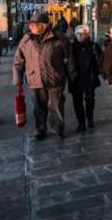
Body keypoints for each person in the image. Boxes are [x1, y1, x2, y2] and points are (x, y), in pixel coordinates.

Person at [13, 12, 78, 140]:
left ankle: (58, 128)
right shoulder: (26, 40)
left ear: (43, 26)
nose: (30, 27)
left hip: (55, 78)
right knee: (38, 107)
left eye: (33, 25)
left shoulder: (60, 39)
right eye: (30, 25)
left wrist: (72, 78)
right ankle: (40, 129)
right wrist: (17, 79)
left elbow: (70, 59)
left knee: (56, 105)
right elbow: (18, 61)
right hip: (34, 79)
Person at [70, 25, 102, 133]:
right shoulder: (71, 47)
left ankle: (90, 118)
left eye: (82, 33)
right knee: (77, 102)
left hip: (90, 77)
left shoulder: (94, 46)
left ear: (87, 35)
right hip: (75, 79)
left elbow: (101, 60)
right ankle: (81, 122)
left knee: (89, 100)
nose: (79, 35)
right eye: (77, 33)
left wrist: (97, 72)